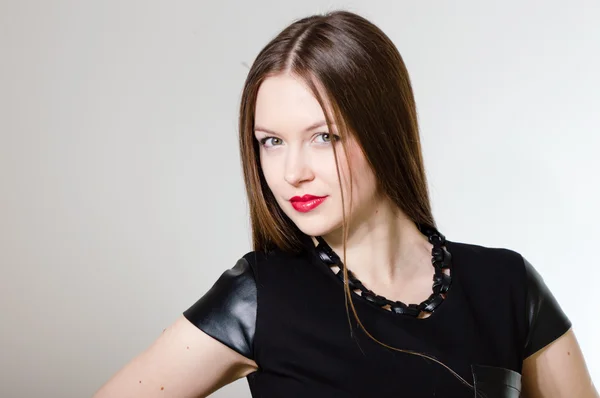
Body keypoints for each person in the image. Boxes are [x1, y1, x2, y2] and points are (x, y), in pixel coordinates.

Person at [92, 10, 598, 398]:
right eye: (271, 141)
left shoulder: (508, 286)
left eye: (323, 137)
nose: (293, 172)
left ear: (384, 132)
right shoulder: (259, 298)